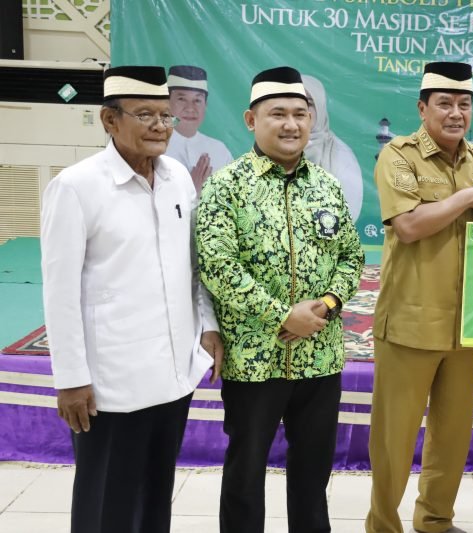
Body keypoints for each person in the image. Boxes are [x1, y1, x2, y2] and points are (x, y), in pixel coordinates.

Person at [40, 65, 224, 533]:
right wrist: (71, 379)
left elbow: (193, 265)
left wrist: (207, 326)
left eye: (165, 115)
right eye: (146, 115)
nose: (162, 126)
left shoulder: (179, 178)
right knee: (107, 504)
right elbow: (59, 290)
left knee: (154, 498)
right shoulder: (77, 187)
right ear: (109, 120)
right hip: (110, 385)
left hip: (171, 376)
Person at [195, 66, 364, 533]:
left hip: (321, 359)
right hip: (254, 359)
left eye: (299, 114)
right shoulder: (226, 186)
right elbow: (218, 266)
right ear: (252, 120)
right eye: (278, 114)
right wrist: (281, 314)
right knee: (245, 474)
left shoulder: (326, 184)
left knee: (313, 475)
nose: (291, 124)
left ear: (312, 119)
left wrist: (326, 306)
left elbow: (351, 258)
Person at [365, 61, 473, 533]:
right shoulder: (398, 156)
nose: (456, 113)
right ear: (423, 107)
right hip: (410, 321)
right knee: (394, 441)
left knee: (451, 437)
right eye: (444, 103)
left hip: (465, 323)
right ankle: (383, 525)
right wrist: (468, 200)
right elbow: (407, 227)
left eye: (464, 104)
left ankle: (435, 522)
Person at [302, 73, 364, 221]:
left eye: (308, 103)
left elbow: (347, 217)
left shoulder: (340, 155)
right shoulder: (274, 150)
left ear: (320, 106)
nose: (300, 109)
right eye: (293, 100)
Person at [166, 65, 233, 193]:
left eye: (197, 100)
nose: (190, 108)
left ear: (205, 105)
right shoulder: (152, 147)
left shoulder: (220, 150)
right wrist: (192, 191)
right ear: (166, 103)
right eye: (182, 99)